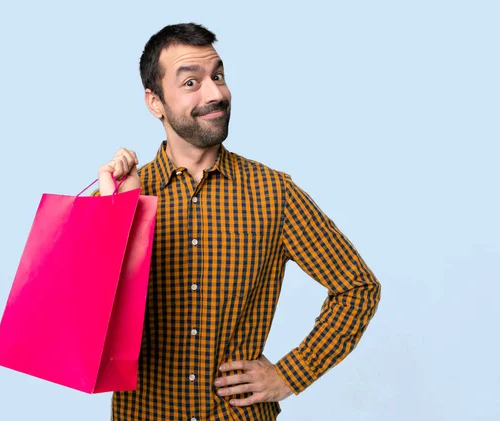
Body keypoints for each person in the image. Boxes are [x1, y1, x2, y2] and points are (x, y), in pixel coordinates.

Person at [93, 23, 381, 421]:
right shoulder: (125, 196)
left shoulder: (273, 193)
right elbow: (82, 320)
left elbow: (358, 287)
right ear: (155, 102)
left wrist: (290, 374)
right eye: (191, 82)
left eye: (218, 77)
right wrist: (116, 210)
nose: (215, 93)